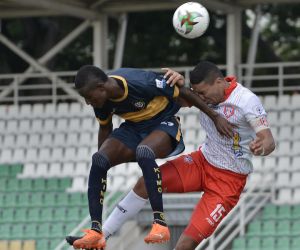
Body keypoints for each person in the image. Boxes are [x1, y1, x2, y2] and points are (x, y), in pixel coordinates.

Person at [98, 61, 276, 250]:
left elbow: (269, 141)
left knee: (185, 245)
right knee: (146, 182)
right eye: (196, 93)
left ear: (219, 82)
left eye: (203, 93)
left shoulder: (246, 100)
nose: (200, 98)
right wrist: (178, 84)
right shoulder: (204, 96)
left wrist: (260, 147)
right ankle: (101, 236)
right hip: (201, 163)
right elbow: (178, 97)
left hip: (228, 181)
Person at [67, 65, 234, 249]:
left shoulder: (140, 82)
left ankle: (159, 224)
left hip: (163, 124)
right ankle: (95, 231)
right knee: (98, 159)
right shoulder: (101, 100)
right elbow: (105, 129)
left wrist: (214, 116)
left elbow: (184, 93)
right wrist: (103, 165)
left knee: (144, 152)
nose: (88, 103)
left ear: (101, 87)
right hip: (134, 128)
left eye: (89, 98)